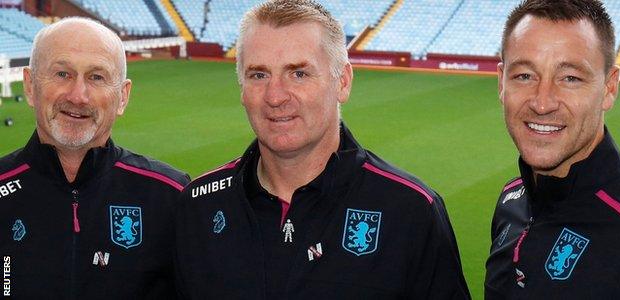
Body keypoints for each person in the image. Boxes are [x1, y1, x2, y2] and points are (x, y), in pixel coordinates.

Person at [175, 0, 469, 299]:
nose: (275, 96)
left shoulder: (411, 211)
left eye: (298, 73)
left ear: (342, 82)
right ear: (242, 88)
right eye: (259, 75)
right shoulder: (198, 206)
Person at [0, 17, 190, 299]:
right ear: (29, 86)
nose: (78, 96)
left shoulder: (170, 196)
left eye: (96, 77)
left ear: (123, 97)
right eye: (62, 74)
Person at [485, 0, 620, 298]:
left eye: (570, 78)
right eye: (524, 76)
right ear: (501, 83)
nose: (542, 102)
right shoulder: (512, 200)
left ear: (609, 88)